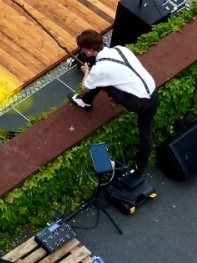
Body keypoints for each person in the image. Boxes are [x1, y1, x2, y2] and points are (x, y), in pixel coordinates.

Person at [69, 29, 160, 170]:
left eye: (84, 49)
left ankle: (86, 102)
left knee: (98, 80)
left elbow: (85, 87)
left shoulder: (100, 68)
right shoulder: (121, 49)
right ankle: (140, 166)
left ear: (89, 50)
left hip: (137, 103)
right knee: (145, 132)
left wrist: (86, 71)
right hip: (153, 94)